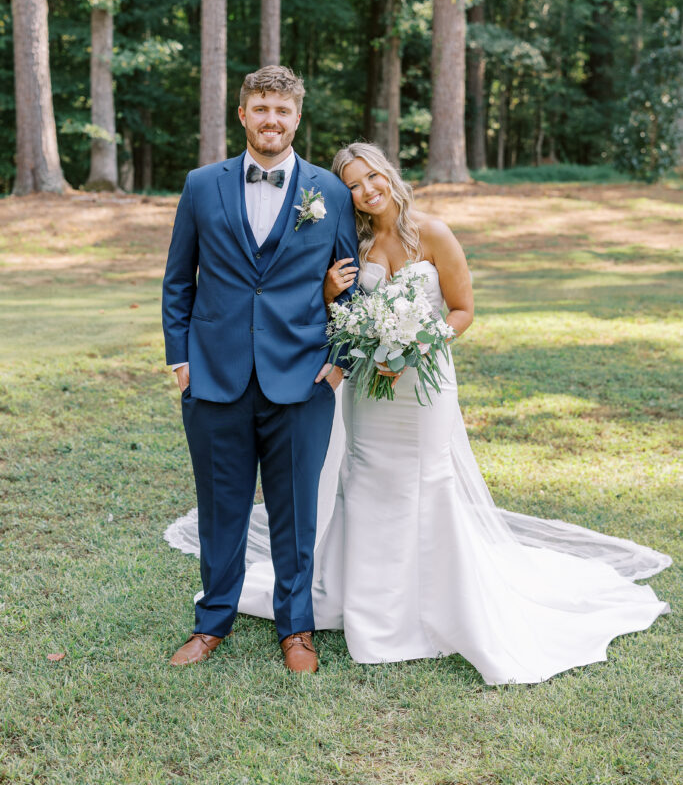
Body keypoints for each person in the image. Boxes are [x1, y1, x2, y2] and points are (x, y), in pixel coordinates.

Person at [165, 142, 670, 685]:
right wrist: (332, 293)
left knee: (426, 485)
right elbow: (329, 308)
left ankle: (435, 605)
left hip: (423, 388)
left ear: (389, 174)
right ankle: (366, 605)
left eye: (372, 177)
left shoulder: (433, 232)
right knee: (365, 483)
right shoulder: (355, 239)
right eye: (354, 185)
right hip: (367, 389)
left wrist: (418, 344)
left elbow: (464, 309)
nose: (366, 190)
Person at [161, 66, 358, 672]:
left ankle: (295, 629)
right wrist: (181, 359)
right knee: (221, 505)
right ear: (242, 114)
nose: (272, 119)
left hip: (302, 379)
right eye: (261, 108)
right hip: (214, 375)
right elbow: (178, 281)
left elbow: (351, 287)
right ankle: (212, 620)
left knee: (296, 509)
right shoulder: (201, 185)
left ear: (298, 118)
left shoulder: (331, 191)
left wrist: (337, 365)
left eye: (284, 110)